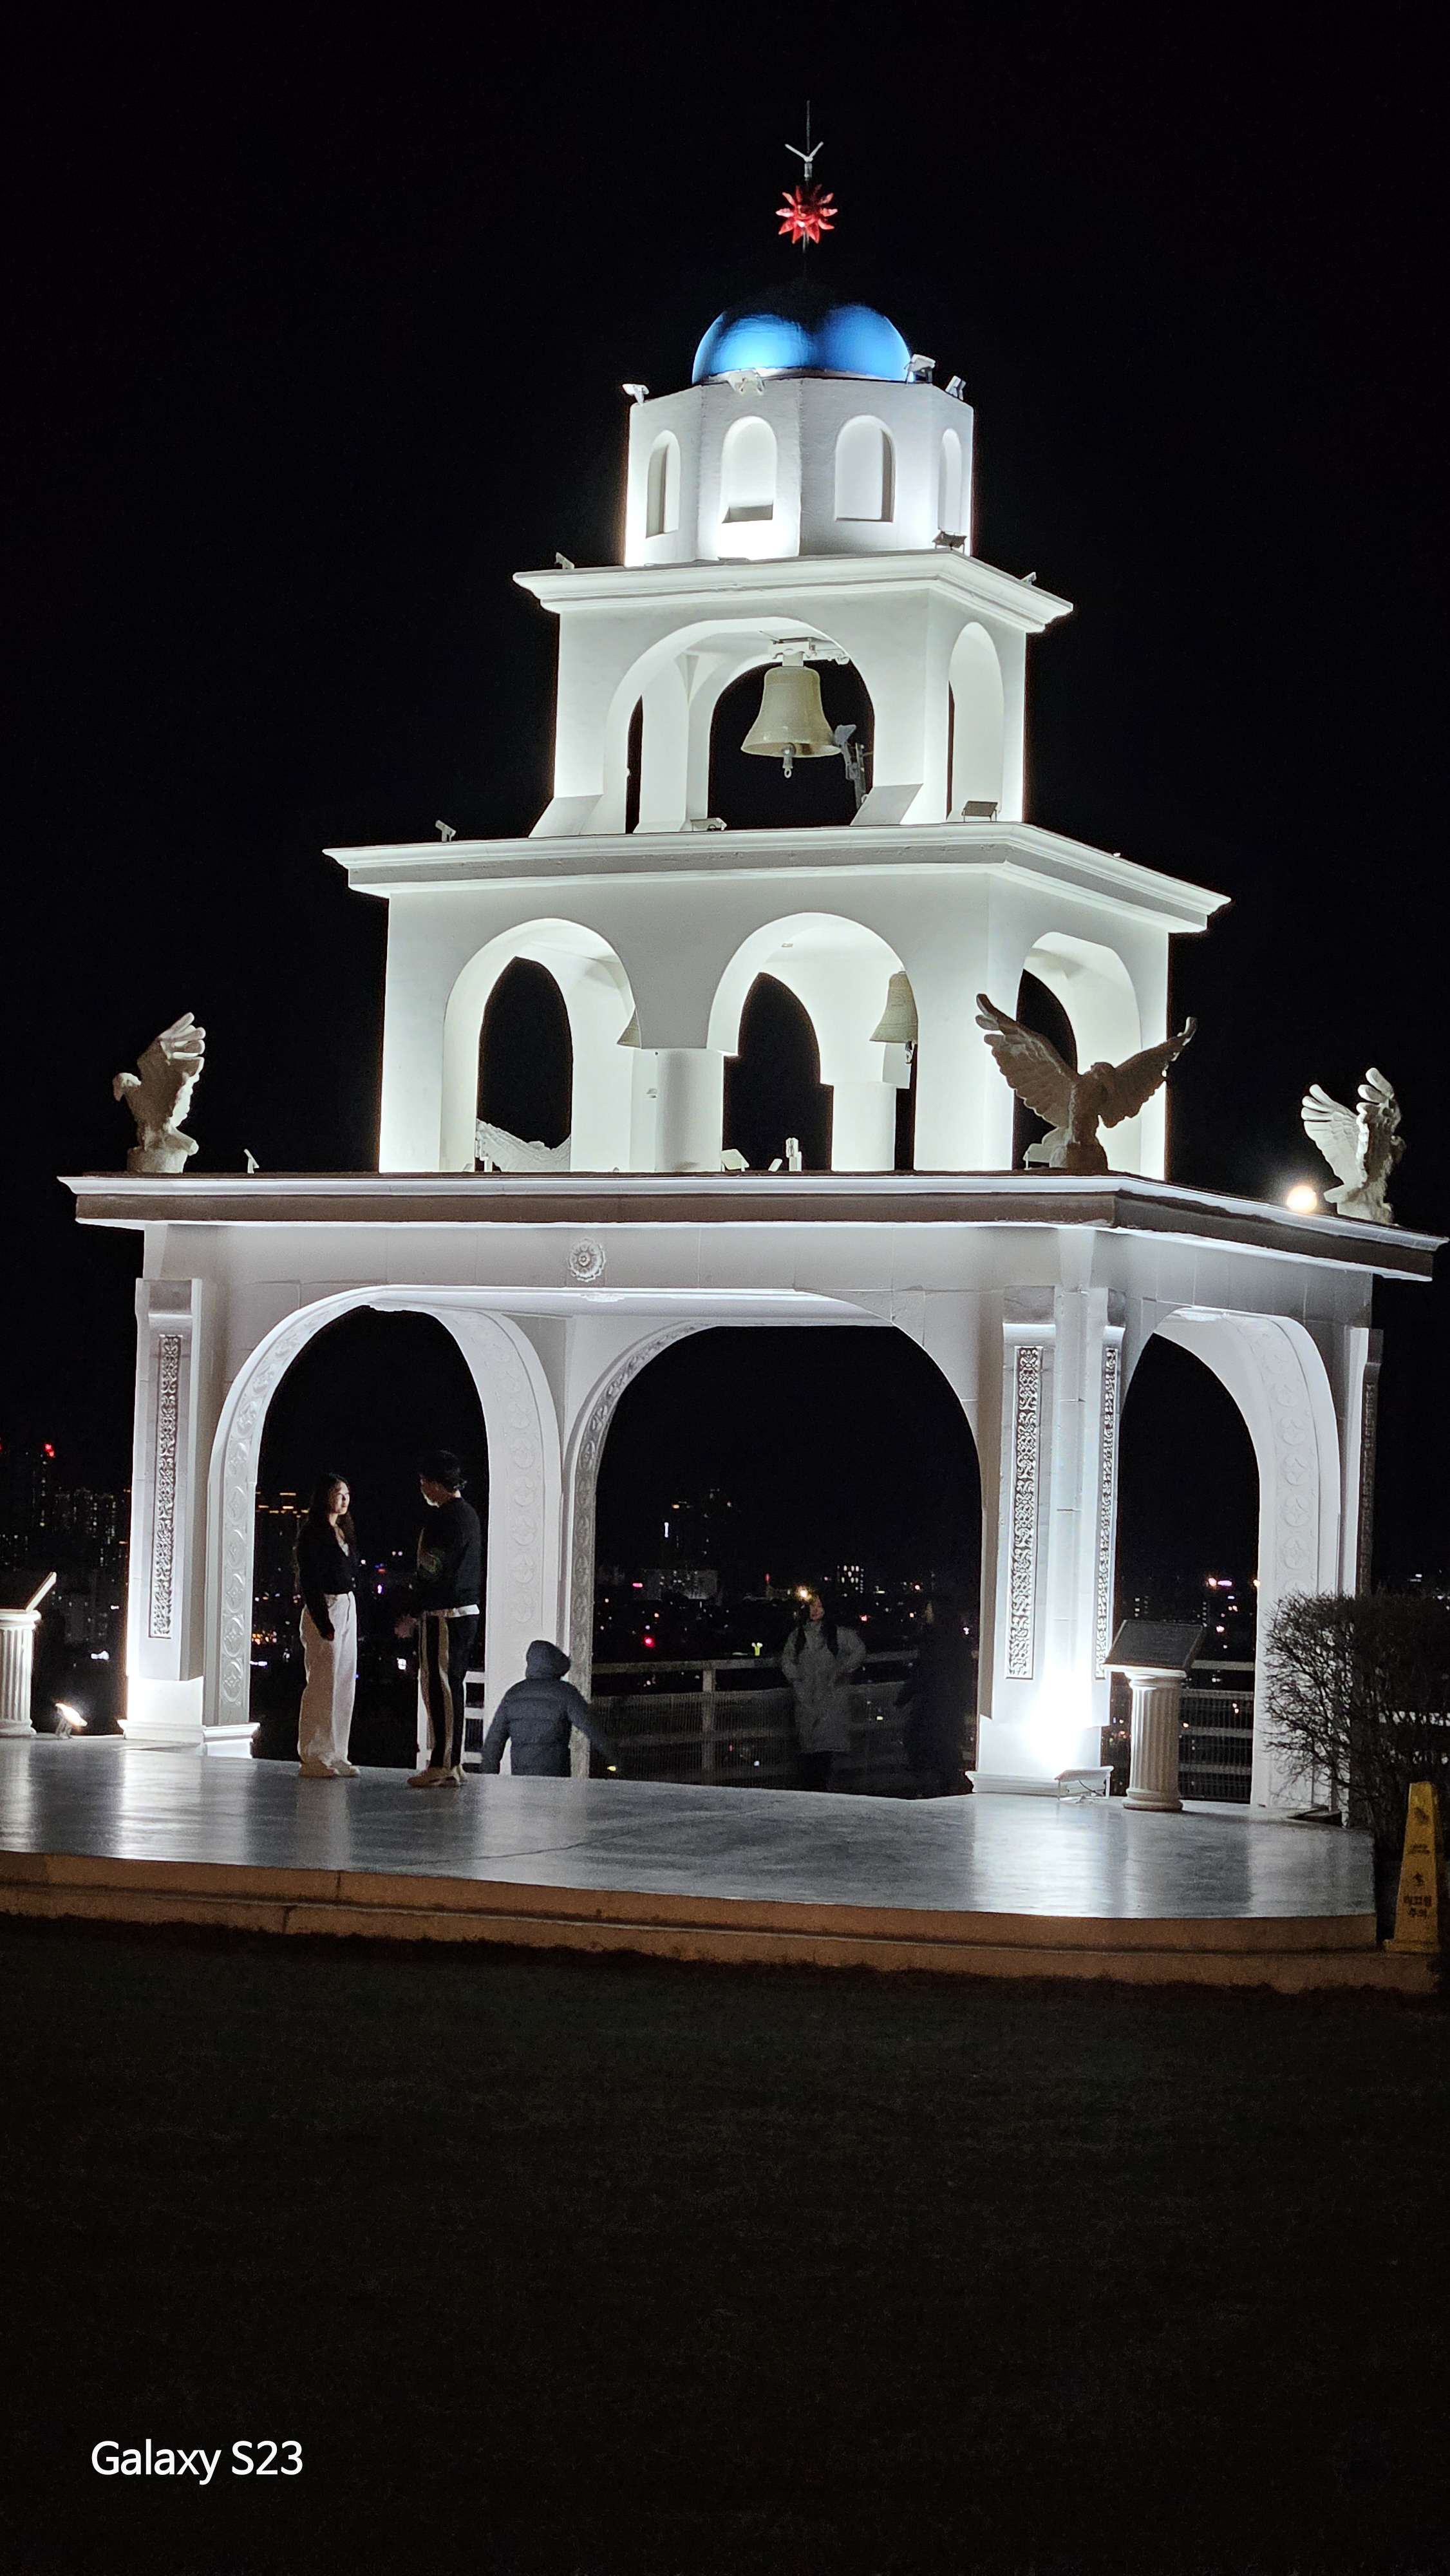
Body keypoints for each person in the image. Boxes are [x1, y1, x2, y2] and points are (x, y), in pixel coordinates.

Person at [393, 1448, 483, 1788]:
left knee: (439, 1687)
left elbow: (432, 1573)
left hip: (444, 1615)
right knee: (453, 1687)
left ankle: (442, 1763)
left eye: (423, 1482)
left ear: (435, 1483)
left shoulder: (444, 1519)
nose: (422, 1489)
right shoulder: (469, 1515)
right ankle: (452, 1763)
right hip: (465, 1612)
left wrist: (412, 1613)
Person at [295, 1474, 362, 1779]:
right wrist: (323, 1622)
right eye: (338, 1493)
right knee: (322, 1683)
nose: (344, 1499)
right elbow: (310, 1581)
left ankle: (337, 1753)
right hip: (326, 1606)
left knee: (344, 1683)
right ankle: (314, 1755)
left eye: (347, 1493)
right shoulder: (313, 1533)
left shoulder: (343, 1531)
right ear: (325, 1496)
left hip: (347, 1604)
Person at [479, 1640, 620, 1777]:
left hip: (521, 1778)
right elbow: (593, 1729)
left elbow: (494, 1741)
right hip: (555, 1777)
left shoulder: (514, 1694)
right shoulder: (566, 1693)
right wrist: (618, 1762)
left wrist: (488, 1777)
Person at [782, 1589, 865, 1792]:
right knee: (810, 1753)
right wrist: (798, 1681)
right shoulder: (799, 1635)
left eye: (819, 1606)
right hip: (807, 1703)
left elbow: (859, 1651)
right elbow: (787, 1661)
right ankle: (817, 1792)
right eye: (812, 1605)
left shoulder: (838, 1634)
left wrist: (841, 1671)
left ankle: (819, 1792)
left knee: (824, 1755)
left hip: (830, 1703)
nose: (815, 1610)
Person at [897, 1593, 975, 1796]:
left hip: (931, 1703)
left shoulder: (932, 1639)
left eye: (929, 1609)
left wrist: (904, 1696)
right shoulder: (957, 1641)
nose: (926, 1612)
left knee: (924, 1743)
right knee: (945, 1745)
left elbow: (924, 1671)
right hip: (950, 1703)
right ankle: (946, 1786)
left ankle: (933, 1787)